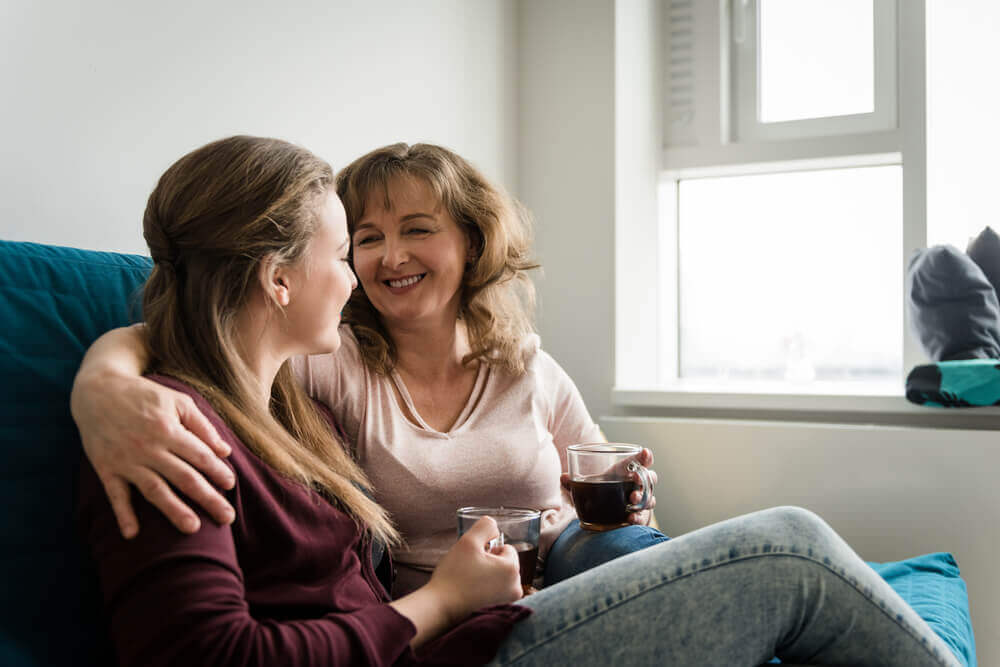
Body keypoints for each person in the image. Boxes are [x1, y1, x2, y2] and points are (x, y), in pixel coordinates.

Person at [79, 134, 960, 666]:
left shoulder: (282, 412)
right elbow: (206, 655)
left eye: (407, 233)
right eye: (348, 249)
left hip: (500, 607)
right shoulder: (186, 428)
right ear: (278, 278)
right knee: (796, 547)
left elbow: (197, 327)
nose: (361, 273)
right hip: (459, 632)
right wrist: (105, 387)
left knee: (743, 555)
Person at [72, 142, 667, 593]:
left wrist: (634, 494)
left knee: (647, 555)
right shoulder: (334, 359)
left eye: (417, 230)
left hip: (565, 569)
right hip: (439, 611)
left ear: (472, 242)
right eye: (366, 238)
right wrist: (102, 384)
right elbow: (193, 338)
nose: (391, 256)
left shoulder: (527, 365)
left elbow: (605, 488)